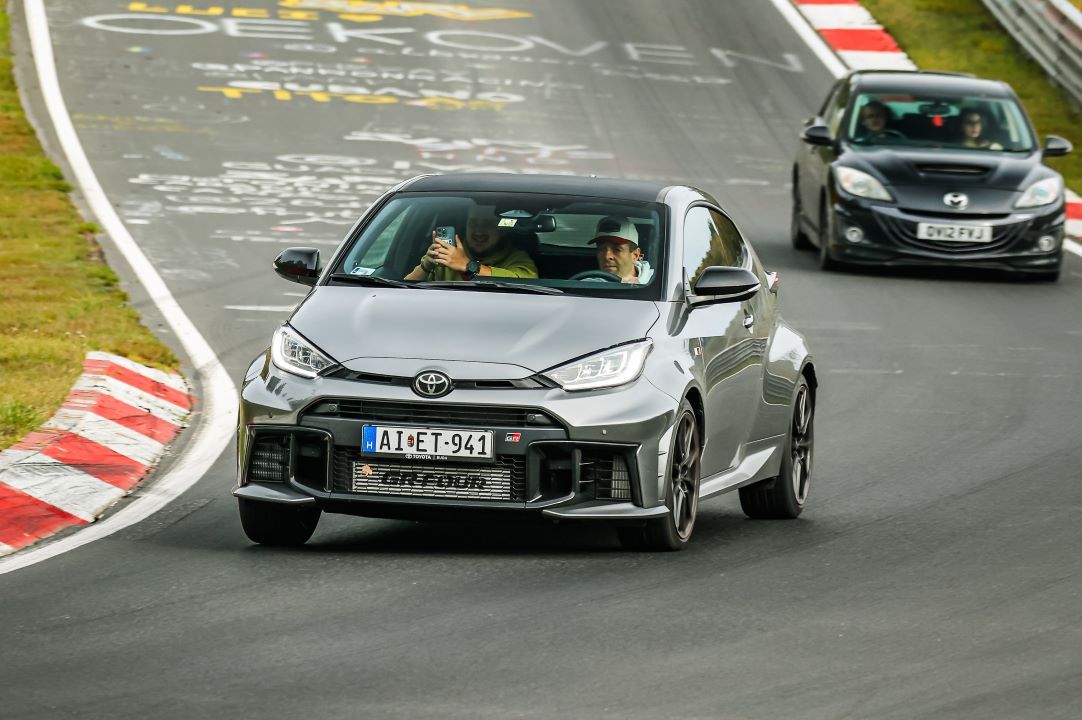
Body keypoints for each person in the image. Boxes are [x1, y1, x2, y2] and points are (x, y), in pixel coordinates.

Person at [405, 204, 537, 281]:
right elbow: (405, 292)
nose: (478, 231)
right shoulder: (446, 253)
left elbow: (527, 283)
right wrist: (426, 266)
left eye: (487, 223)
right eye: (473, 222)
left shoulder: (516, 259)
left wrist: (468, 266)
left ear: (501, 230)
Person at [588, 216, 654, 284]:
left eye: (617, 249)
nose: (607, 256)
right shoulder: (587, 284)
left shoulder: (657, 285)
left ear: (635, 255)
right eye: (601, 249)